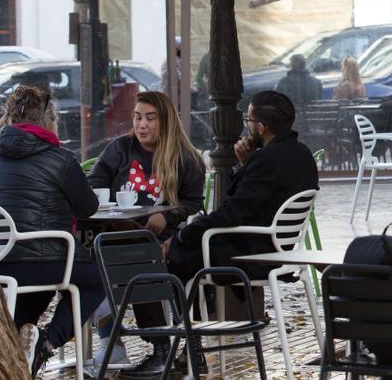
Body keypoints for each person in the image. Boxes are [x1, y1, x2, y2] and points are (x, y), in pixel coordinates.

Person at [123, 91, 319, 377]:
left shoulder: (269, 160)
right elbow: (248, 201)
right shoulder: (301, 154)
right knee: (183, 253)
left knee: (168, 255)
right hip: (278, 247)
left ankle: (182, 348)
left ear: (261, 127)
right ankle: (191, 345)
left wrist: (181, 236)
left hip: (255, 252)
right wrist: (247, 162)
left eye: (248, 119)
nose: (246, 125)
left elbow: (232, 212)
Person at [0, 86, 103, 376]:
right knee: (95, 278)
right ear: (48, 120)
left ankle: (19, 349)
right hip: (42, 259)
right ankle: (46, 342)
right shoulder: (61, 158)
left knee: (42, 282)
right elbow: (88, 208)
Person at [87, 91, 206, 365]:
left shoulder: (185, 159)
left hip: (162, 239)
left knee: (140, 259)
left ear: (165, 122)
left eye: (150, 119)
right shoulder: (120, 149)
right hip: (116, 233)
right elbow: (94, 185)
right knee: (93, 260)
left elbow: (193, 203)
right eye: (138, 117)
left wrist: (168, 216)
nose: (142, 125)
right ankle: (117, 341)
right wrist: (111, 215)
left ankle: (163, 346)